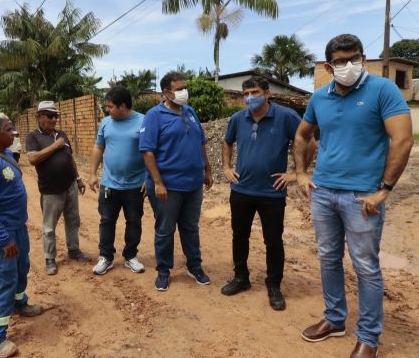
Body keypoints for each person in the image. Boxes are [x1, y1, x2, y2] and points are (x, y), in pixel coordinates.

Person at [294, 33, 413, 358]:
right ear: (329, 66)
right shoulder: (319, 97)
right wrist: (301, 174)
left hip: (363, 197)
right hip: (324, 192)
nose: (349, 66)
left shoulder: (383, 91)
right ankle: (334, 319)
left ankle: (369, 336)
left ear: (363, 58)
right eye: (342, 61)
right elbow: (302, 135)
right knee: (328, 257)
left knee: (365, 266)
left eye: (355, 58)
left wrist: (385, 189)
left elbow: (402, 140)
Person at [222, 75, 311, 310]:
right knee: (239, 236)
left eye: (254, 93)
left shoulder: (286, 117)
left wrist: (296, 173)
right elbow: (227, 142)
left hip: (272, 193)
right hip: (241, 190)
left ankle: (274, 285)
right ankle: (241, 278)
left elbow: (307, 141)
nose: (249, 98)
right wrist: (227, 167)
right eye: (246, 94)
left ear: (267, 94)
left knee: (273, 241)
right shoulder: (237, 119)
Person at [0, 115, 44, 358]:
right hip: (3, 234)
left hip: (17, 228)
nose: (13, 133)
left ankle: (18, 303)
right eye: (7, 129)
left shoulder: (5, 156)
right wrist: (3, 239)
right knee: (1, 280)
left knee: (20, 270)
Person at [140, 71, 213, 291]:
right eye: (179, 88)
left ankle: (194, 266)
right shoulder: (154, 115)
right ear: (166, 92)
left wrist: (207, 170)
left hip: (193, 184)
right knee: (165, 229)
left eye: (184, 87)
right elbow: (147, 151)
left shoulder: (190, 112)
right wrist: (158, 182)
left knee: (190, 227)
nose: (184, 92)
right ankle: (163, 270)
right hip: (168, 186)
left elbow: (200, 142)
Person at [25, 101, 92, 276]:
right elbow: (33, 159)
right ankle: (50, 258)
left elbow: (70, 159)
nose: (54, 119)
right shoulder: (33, 137)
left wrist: (78, 179)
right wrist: (55, 146)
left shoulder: (61, 134)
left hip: (69, 185)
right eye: (49, 116)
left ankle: (74, 250)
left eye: (56, 116)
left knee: (73, 220)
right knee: (49, 227)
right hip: (50, 190)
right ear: (39, 117)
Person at [88, 86, 147, 275]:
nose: (107, 110)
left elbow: (152, 152)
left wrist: (149, 177)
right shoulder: (106, 122)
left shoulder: (143, 121)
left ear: (123, 106)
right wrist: (92, 173)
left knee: (134, 221)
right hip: (109, 184)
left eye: (110, 106)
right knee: (106, 221)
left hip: (135, 185)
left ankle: (130, 256)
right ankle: (106, 257)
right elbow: (98, 148)